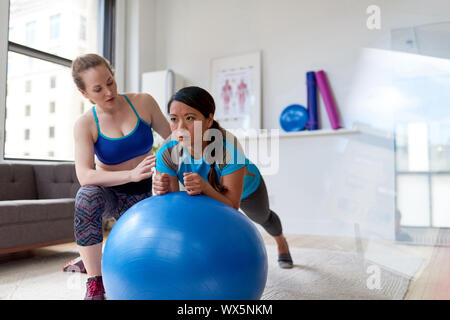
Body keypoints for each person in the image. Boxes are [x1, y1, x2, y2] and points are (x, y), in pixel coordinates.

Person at [153, 86, 293, 269]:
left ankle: (281, 241)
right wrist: (161, 188)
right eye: (173, 119)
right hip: (204, 188)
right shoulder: (166, 152)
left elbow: (232, 207)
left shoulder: (228, 149)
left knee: (262, 217)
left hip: (247, 189)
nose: (180, 128)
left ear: (209, 119)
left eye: (190, 118)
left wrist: (205, 188)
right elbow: (173, 205)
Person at [68, 53, 171, 300]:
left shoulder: (144, 103)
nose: (108, 91)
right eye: (98, 89)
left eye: (110, 81)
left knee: (148, 266)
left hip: (144, 195)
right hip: (110, 194)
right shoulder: (85, 124)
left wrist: (167, 173)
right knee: (86, 196)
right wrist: (131, 174)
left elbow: (172, 139)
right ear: (84, 94)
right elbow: (84, 175)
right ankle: (95, 281)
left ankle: (92, 256)